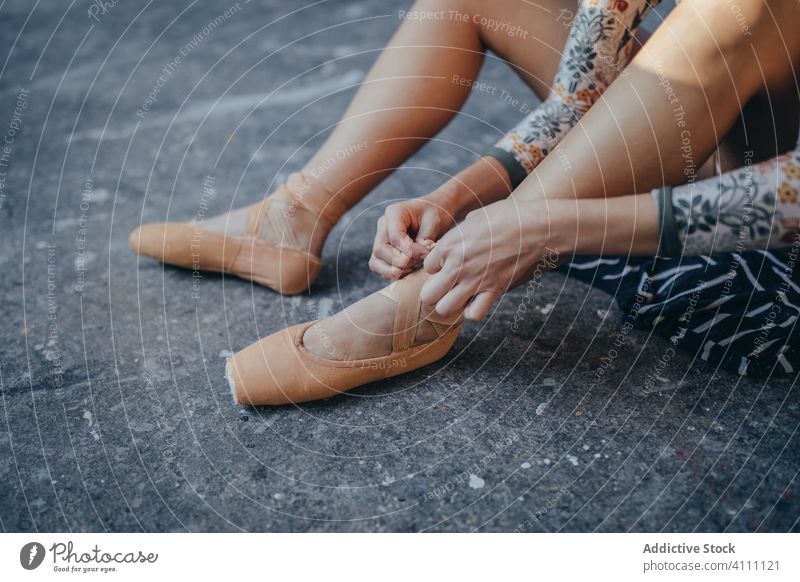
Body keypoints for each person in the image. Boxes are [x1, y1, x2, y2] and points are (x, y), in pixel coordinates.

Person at [129, 0, 800, 405]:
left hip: (768, 223)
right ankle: (292, 219)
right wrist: (467, 191)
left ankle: (426, 305)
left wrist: (546, 228)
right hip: (701, 138)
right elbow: (583, 87)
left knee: (728, 14)